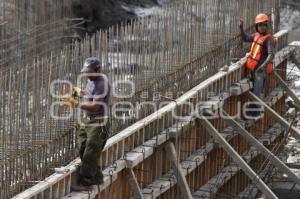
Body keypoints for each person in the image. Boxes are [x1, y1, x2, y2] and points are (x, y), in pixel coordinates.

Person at [61, 57, 110, 188]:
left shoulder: (102, 83)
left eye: (90, 72)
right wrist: (80, 92)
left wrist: (76, 104)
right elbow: (90, 95)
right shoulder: (91, 79)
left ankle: (86, 180)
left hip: (98, 122)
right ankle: (97, 177)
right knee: (82, 146)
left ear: (99, 69)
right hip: (87, 120)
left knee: (91, 152)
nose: (87, 75)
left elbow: (95, 106)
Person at [240, 13, 275, 117]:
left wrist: (262, 67)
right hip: (253, 70)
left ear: (266, 26)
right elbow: (245, 38)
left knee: (256, 92)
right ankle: (252, 112)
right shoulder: (256, 35)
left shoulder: (269, 39)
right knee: (253, 91)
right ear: (256, 26)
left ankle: (254, 113)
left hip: (260, 71)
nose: (262, 27)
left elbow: (271, 55)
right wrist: (241, 28)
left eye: (264, 25)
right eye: (259, 25)